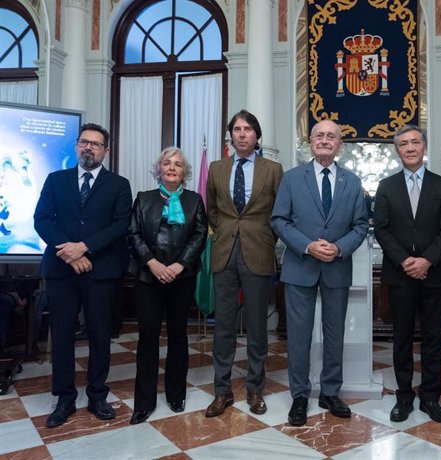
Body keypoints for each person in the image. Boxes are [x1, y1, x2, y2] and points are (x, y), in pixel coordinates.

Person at [34, 123, 132, 428]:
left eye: (95, 144)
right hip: (61, 270)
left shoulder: (119, 184)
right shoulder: (56, 179)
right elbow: (42, 219)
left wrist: (85, 248)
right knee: (62, 336)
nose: (88, 148)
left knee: (100, 335)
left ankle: (97, 395)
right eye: (84, 142)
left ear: (106, 151)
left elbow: (119, 226)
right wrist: (69, 252)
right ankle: (64, 397)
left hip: (100, 271)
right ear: (77, 147)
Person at [271, 119, 368, 426]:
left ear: (340, 144)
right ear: (309, 141)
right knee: (299, 336)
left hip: (337, 267)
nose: (325, 140)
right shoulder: (291, 178)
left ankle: (330, 392)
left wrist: (338, 248)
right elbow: (279, 220)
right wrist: (308, 246)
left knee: (334, 333)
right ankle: (300, 395)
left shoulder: (352, 182)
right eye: (320, 135)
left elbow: (361, 225)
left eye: (332, 136)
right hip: (300, 265)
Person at [373, 125, 441, 423]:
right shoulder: (386, 186)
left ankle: (431, 398)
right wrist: (406, 261)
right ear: (397, 150)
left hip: (433, 274)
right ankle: (404, 397)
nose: (410, 148)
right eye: (404, 144)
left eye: (415, 142)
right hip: (399, 275)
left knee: (434, 338)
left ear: (424, 147)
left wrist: (426, 261)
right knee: (402, 338)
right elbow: (380, 228)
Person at [205, 110, 283, 417]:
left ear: (256, 135)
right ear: (230, 136)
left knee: (257, 326)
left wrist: (265, 237)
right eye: (236, 129)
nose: (241, 134)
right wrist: (226, 230)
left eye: (247, 129)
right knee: (223, 326)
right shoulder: (216, 168)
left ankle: (254, 389)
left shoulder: (273, 169)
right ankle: (221, 391)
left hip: (259, 251)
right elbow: (212, 210)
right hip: (224, 251)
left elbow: (280, 212)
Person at [127, 147, 208, 425]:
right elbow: (134, 234)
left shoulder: (195, 201)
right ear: (158, 169)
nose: (172, 167)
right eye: (166, 163)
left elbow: (199, 236)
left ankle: (176, 394)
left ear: (184, 172)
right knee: (147, 338)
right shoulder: (144, 199)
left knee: (178, 336)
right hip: (148, 277)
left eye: (177, 164)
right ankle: (144, 402)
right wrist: (152, 263)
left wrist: (178, 265)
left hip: (180, 278)